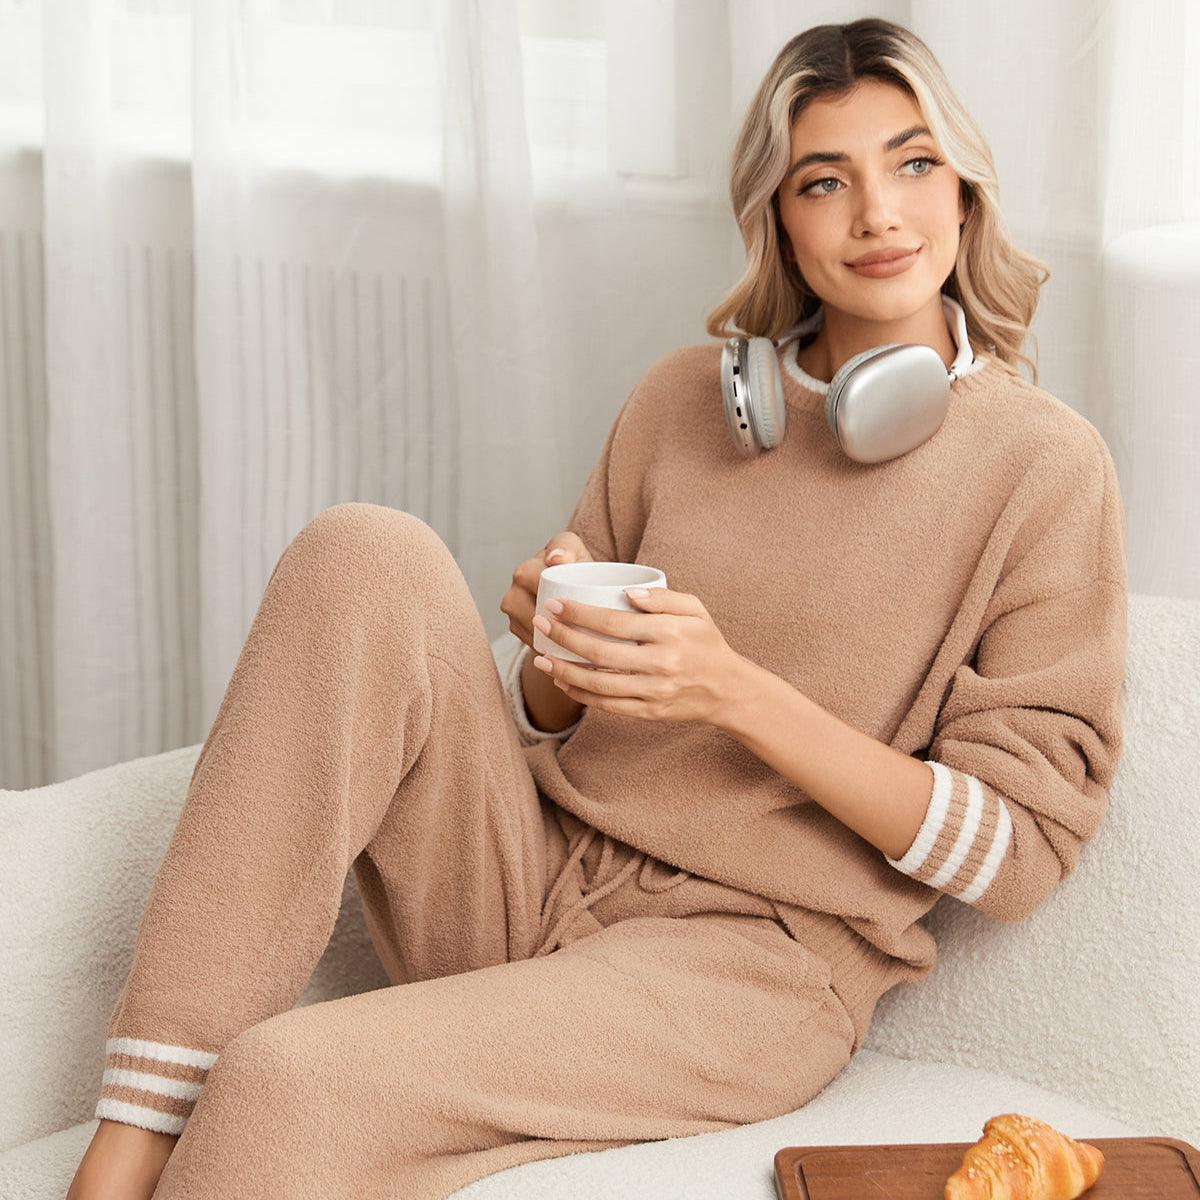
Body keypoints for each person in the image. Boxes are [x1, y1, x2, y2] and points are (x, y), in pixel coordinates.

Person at [67, 17, 1126, 1200]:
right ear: (778, 218)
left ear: (967, 193)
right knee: (363, 550)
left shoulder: (1043, 468)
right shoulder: (684, 403)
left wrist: (732, 692)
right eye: (826, 181)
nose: (879, 213)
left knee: (282, 1083)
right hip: (531, 875)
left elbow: (1021, 853)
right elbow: (545, 716)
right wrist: (552, 659)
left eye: (915, 163)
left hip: (747, 971)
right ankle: (126, 1145)